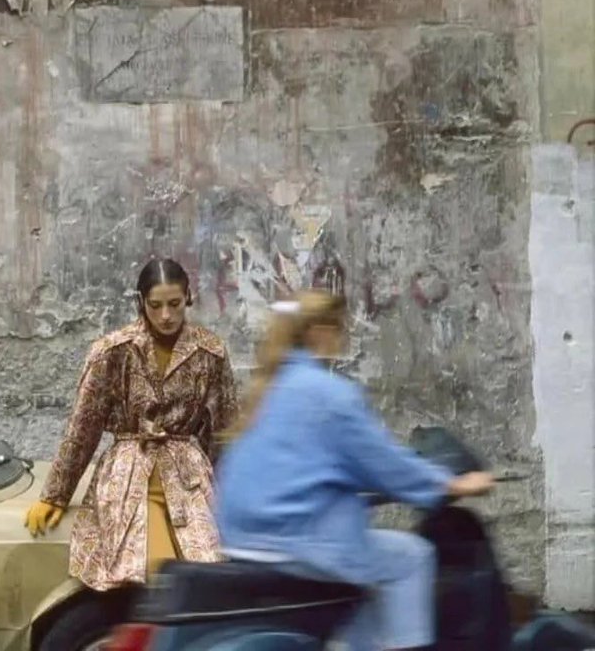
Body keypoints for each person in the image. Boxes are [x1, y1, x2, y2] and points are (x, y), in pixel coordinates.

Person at [215, 292, 494, 651]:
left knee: (370, 573)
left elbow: (309, 470)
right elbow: (384, 463)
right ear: (318, 332)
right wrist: (454, 483)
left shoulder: (267, 390)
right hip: (298, 542)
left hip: (244, 540)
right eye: (338, 329)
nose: (341, 339)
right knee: (412, 558)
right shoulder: (328, 393)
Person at [25, 257, 238, 592]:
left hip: (189, 479)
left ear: (188, 298)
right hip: (131, 473)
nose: (166, 315)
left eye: (174, 304)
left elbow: (224, 428)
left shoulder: (209, 352)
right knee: (152, 572)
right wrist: (56, 494)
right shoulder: (112, 351)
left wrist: (232, 493)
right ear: (141, 302)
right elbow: (84, 425)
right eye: (156, 305)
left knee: (202, 575)